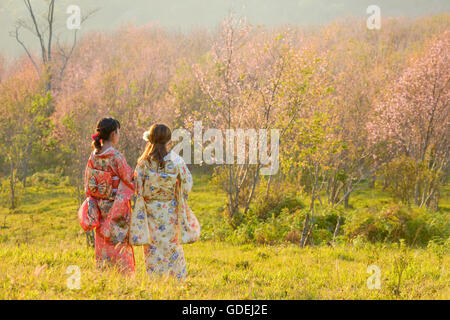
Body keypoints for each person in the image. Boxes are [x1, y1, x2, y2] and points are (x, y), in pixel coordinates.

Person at [130, 124, 200, 280]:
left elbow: (136, 186)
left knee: (153, 246)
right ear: (169, 140)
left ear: (151, 139)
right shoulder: (176, 161)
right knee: (172, 245)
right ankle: (176, 278)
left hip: (150, 210)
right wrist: (177, 192)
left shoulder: (143, 162)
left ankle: (155, 278)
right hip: (169, 209)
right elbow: (187, 183)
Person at [78, 117, 135, 273]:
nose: (119, 135)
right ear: (113, 134)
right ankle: (123, 277)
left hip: (99, 207)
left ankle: (105, 275)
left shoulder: (94, 156)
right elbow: (130, 179)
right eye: (118, 132)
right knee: (119, 244)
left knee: (103, 244)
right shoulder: (116, 157)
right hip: (116, 207)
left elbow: (89, 184)